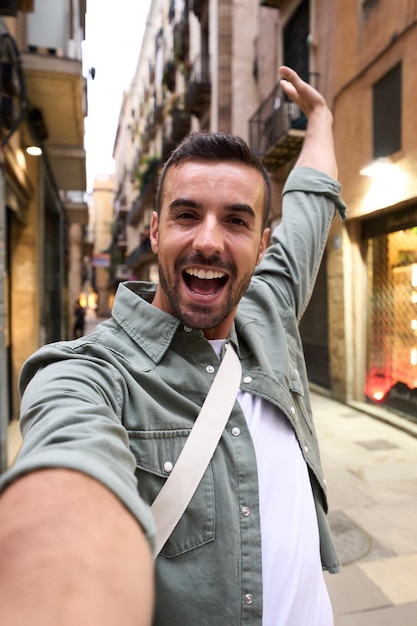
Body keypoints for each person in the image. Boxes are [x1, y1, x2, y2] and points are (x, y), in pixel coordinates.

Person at [0, 67, 346, 626]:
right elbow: (69, 464)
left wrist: (322, 120)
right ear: (156, 231)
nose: (209, 240)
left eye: (235, 220)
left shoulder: (268, 313)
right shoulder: (90, 372)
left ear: (261, 244)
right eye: (188, 215)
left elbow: (310, 205)